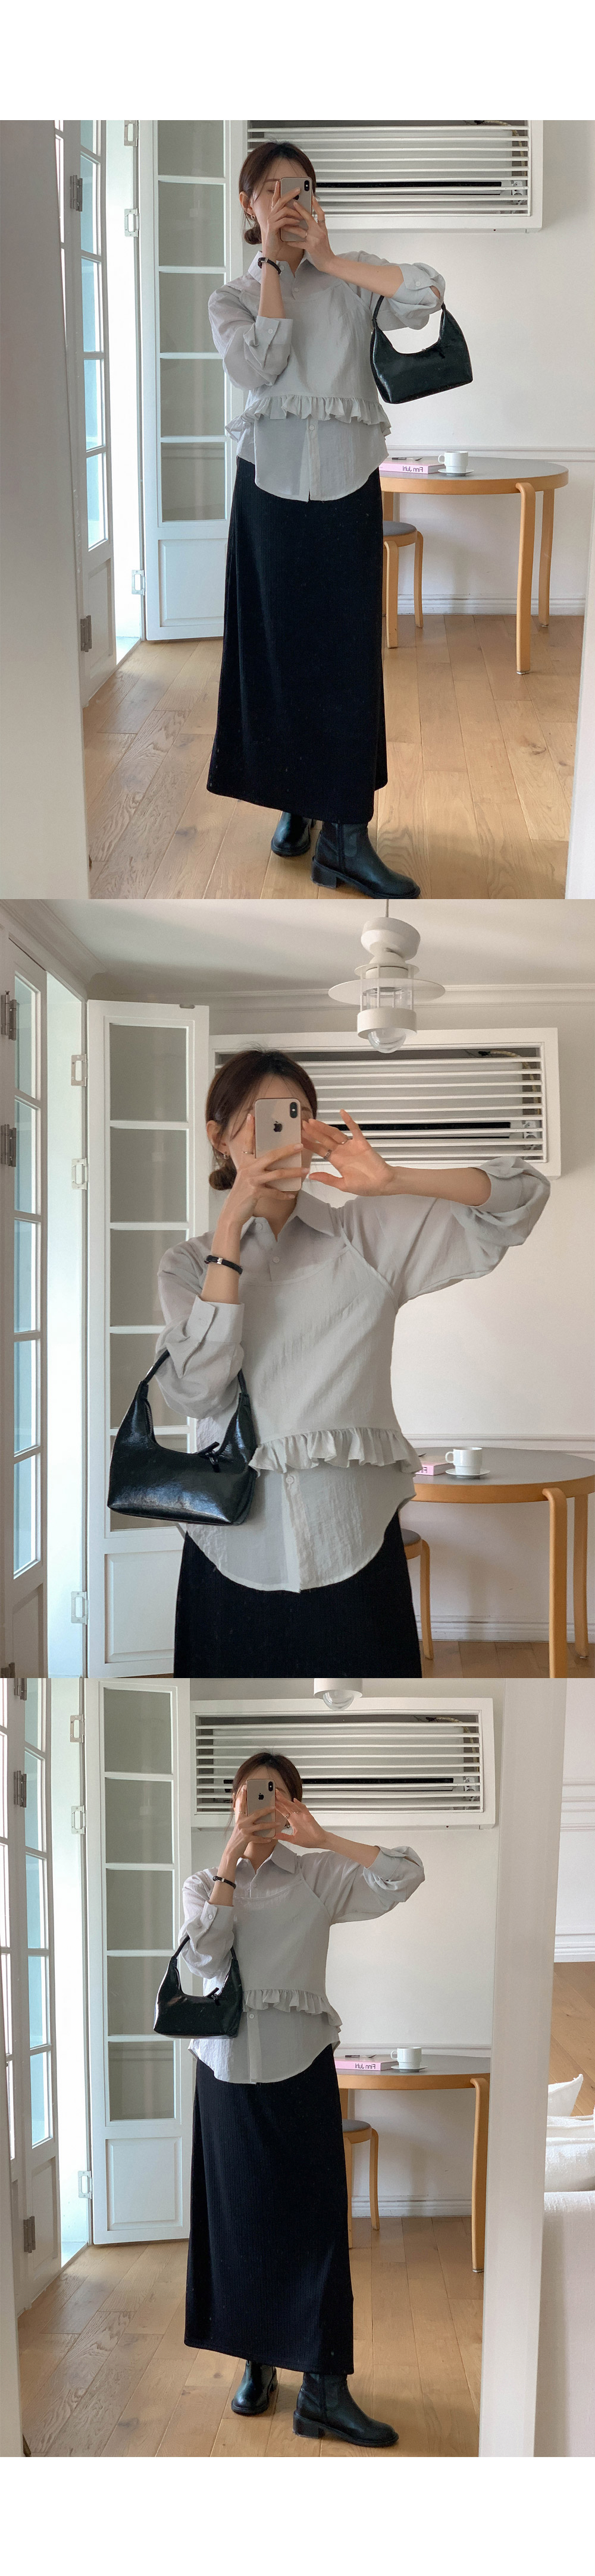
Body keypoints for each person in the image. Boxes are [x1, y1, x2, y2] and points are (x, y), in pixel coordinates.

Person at [154, 1048, 550, 1678]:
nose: (280, 1134)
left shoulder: (366, 1237)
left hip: (355, 1540)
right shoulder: (186, 1264)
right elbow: (199, 1390)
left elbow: (521, 1196)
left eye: (294, 1116)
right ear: (218, 1136)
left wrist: (395, 1180)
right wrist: (230, 1230)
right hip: (227, 1544)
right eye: (258, 1118)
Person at [206, 139, 446, 899]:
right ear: (249, 205)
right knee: (276, 652)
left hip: (347, 487)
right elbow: (259, 367)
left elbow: (426, 296)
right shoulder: (232, 297)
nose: (290, 201)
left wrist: (332, 260)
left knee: (346, 657)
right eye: (274, 190)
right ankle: (295, 798)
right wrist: (276, 269)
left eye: (302, 188)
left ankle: (345, 834)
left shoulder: (352, 275)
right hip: (268, 491)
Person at [181, 1746, 425, 2447]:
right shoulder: (204, 1882)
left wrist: (325, 1839)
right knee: (238, 2225)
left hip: (302, 2065)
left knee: (316, 2227)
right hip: (226, 2074)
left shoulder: (319, 1875)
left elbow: (405, 1874)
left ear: (293, 1804)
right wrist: (232, 1859)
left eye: (275, 1794)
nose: (261, 1806)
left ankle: (323, 2389)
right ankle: (255, 2362)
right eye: (249, 1795)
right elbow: (204, 1957)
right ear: (233, 1804)